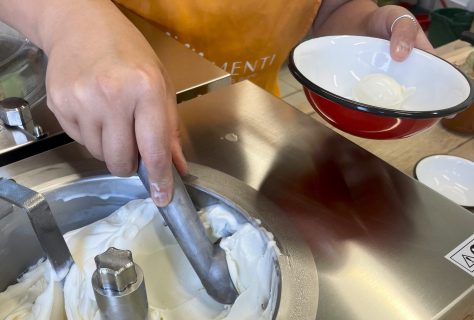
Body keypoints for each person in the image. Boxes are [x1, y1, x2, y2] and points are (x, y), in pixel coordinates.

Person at [0, 1, 432, 206]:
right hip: (96, 129)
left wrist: (361, 30)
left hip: (251, 132)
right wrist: (68, 18)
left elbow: (328, 8)